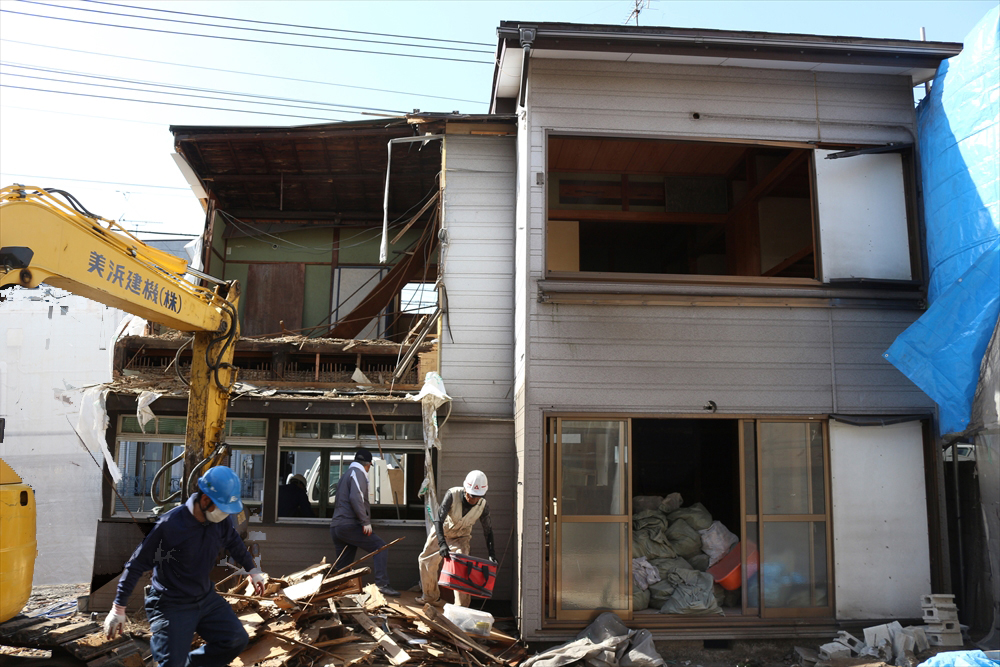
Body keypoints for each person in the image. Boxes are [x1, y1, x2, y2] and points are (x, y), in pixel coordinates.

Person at [103, 466, 267, 667]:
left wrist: (253, 570)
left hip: (204, 597)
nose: (226, 515)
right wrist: (118, 607)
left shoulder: (220, 521)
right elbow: (135, 565)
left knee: (235, 640)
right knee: (172, 663)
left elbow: (234, 543)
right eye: (223, 509)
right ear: (206, 500)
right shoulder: (170, 525)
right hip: (171, 602)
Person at [416, 470, 496, 608]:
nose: (474, 500)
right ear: (465, 489)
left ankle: (462, 606)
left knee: (462, 567)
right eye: (472, 495)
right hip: (443, 531)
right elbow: (438, 520)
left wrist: (492, 553)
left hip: (461, 537)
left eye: (478, 496)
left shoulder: (483, 505)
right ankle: (430, 597)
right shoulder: (452, 494)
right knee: (426, 560)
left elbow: (488, 531)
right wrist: (442, 544)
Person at [329, 447, 399, 597]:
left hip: (337, 527)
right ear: (367, 464)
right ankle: (382, 584)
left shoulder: (345, 475)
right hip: (349, 525)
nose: (368, 470)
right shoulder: (357, 473)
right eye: (369, 467)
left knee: (343, 565)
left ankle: (336, 591)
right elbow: (357, 498)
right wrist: (365, 521)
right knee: (380, 547)